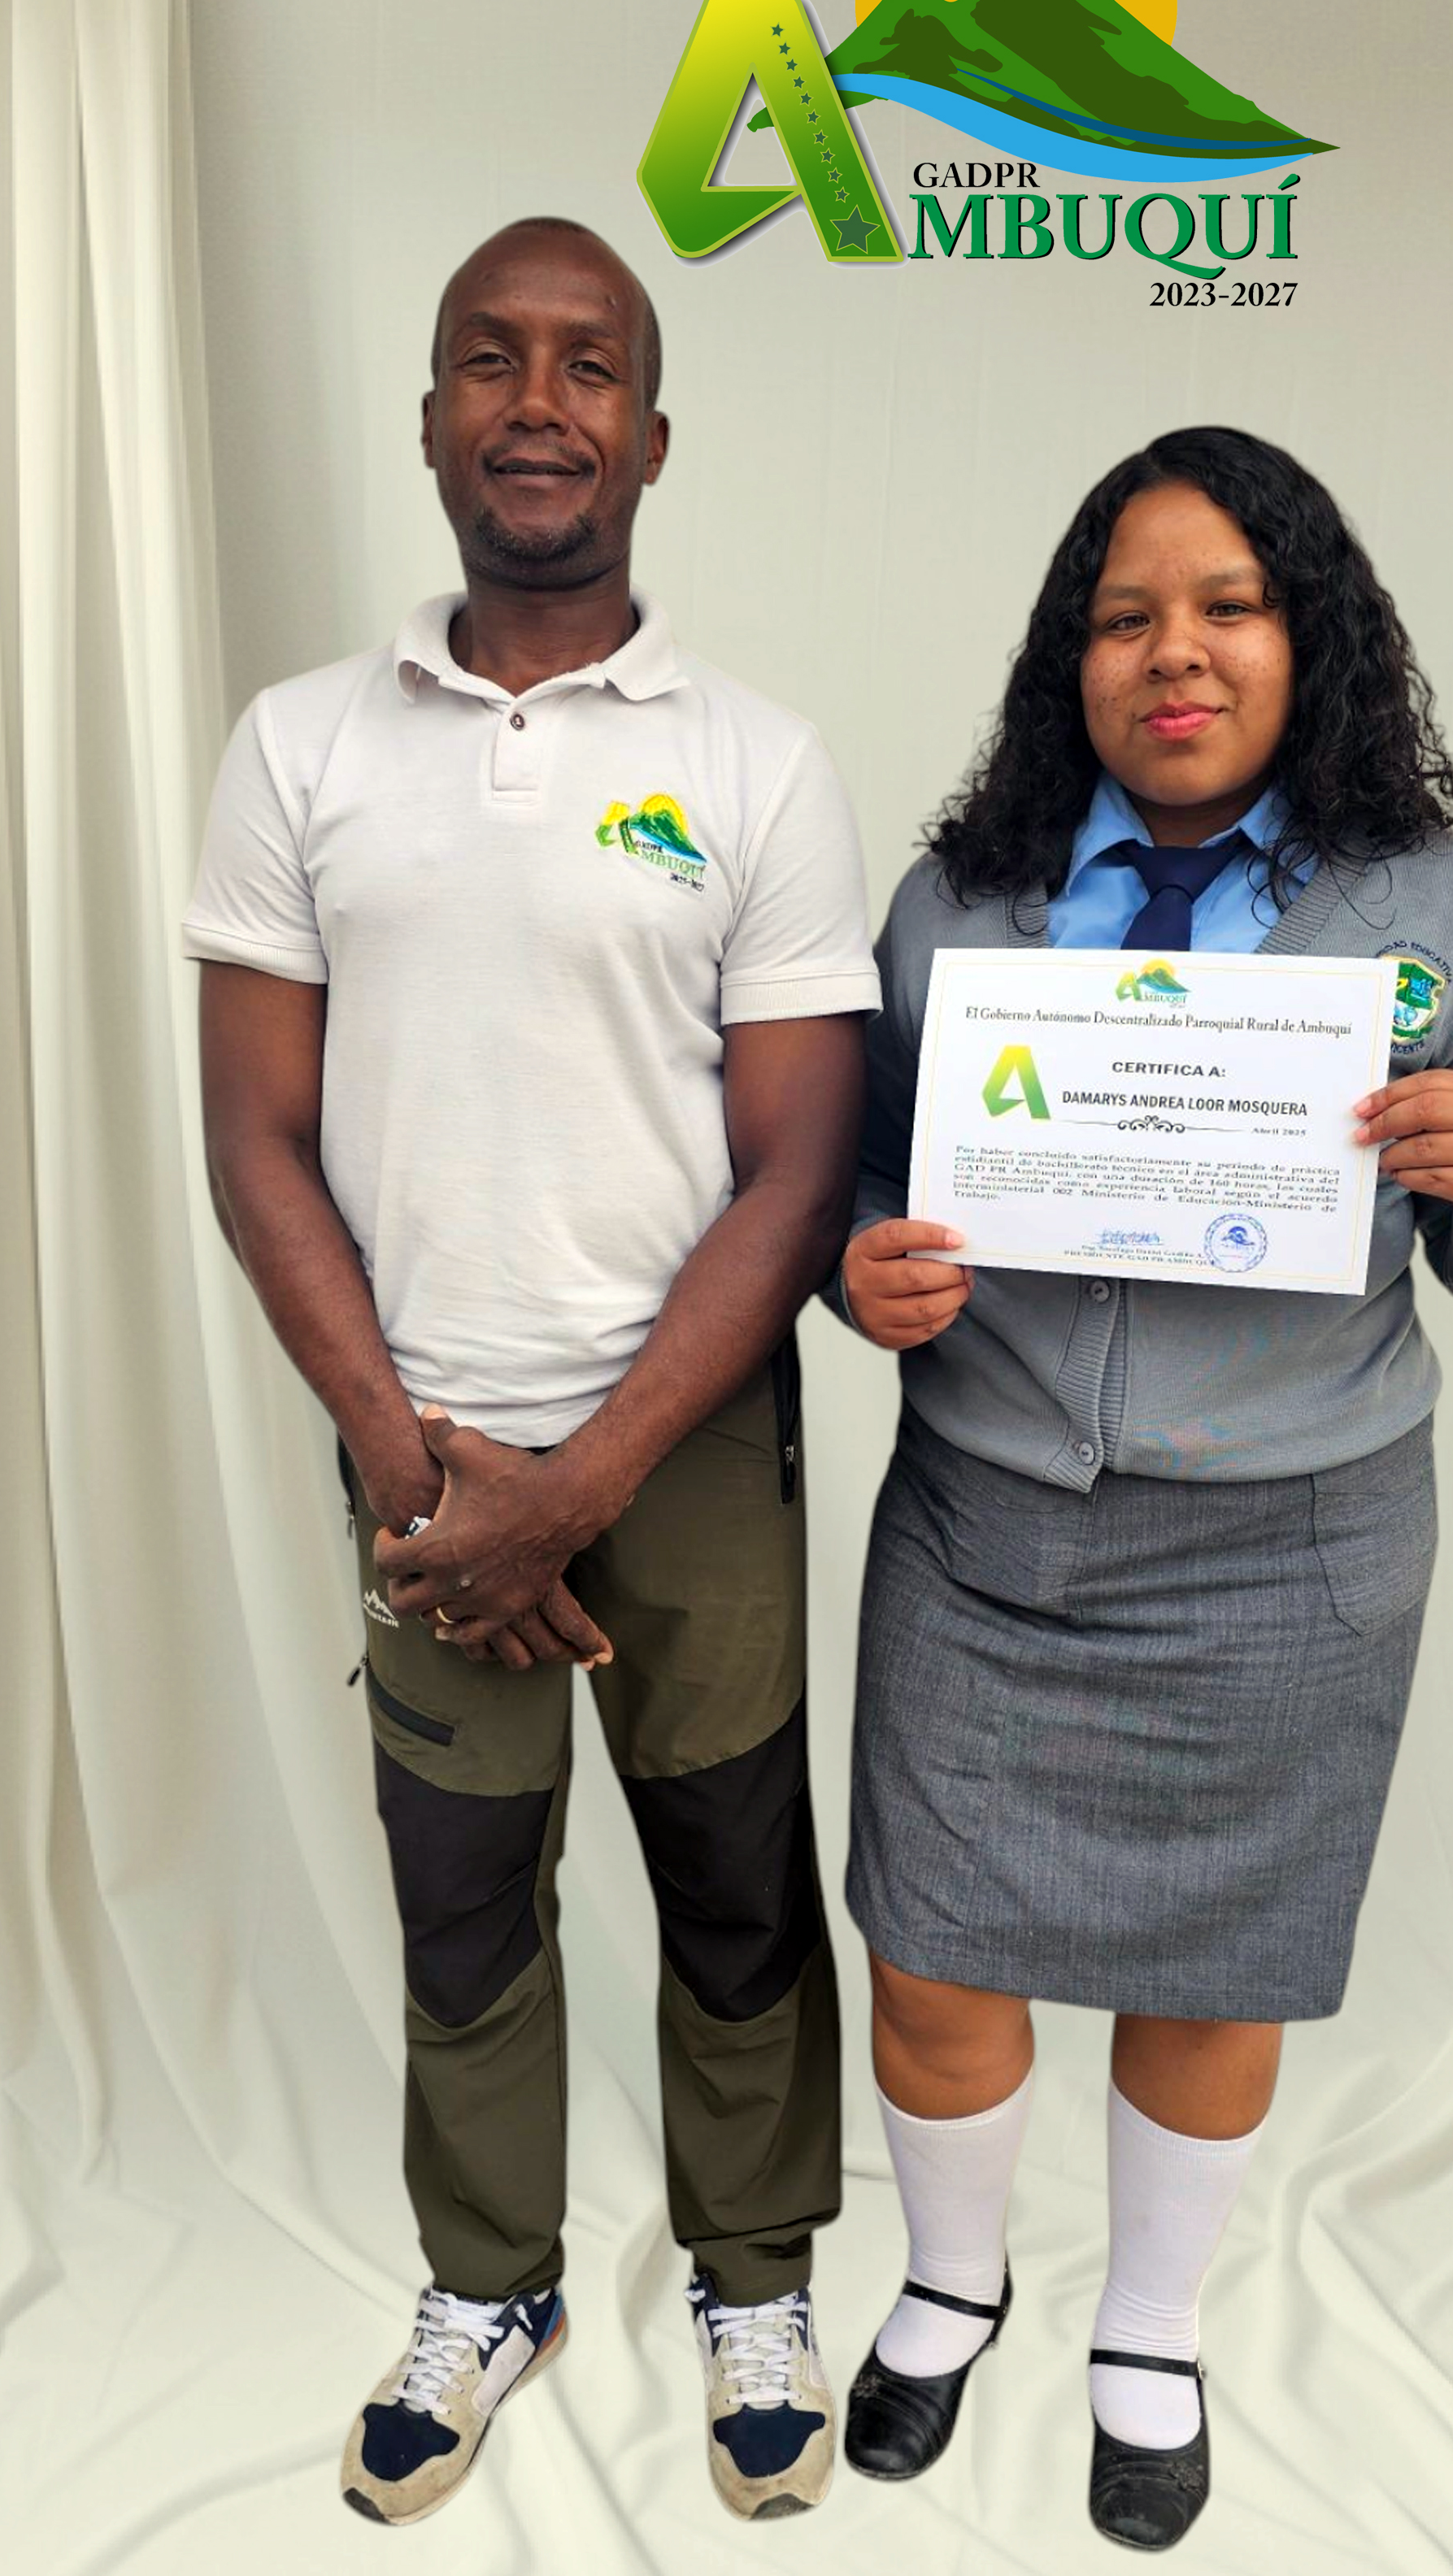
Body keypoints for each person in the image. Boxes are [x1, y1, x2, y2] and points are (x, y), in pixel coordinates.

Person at [831, 428, 1453, 2552]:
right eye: (1124, 617)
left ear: (1310, 636)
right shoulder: (959, 906)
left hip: (1294, 1553)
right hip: (986, 1534)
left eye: (1229, 606)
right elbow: (867, 1183)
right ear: (1066, 662)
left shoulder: (1452, 918)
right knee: (932, 1957)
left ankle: (1152, 2328)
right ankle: (952, 2281)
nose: (1174, 652)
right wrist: (860, 1265)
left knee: (1216, 1971)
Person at [184, 218, 880, 2528]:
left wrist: (575, 1489)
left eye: (589, 365)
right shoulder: (299, 747)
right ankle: (491, 2285)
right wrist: (424, 1474)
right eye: (491, 358)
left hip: (689, 1440)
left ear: (654, 436)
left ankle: (754, 2278)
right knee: (465, 1886)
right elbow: (254, 1139)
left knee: (735, 1874)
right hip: (420, 1439)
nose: (540, 402)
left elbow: (798, 1169)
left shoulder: (758, 763)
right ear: (429, 419)